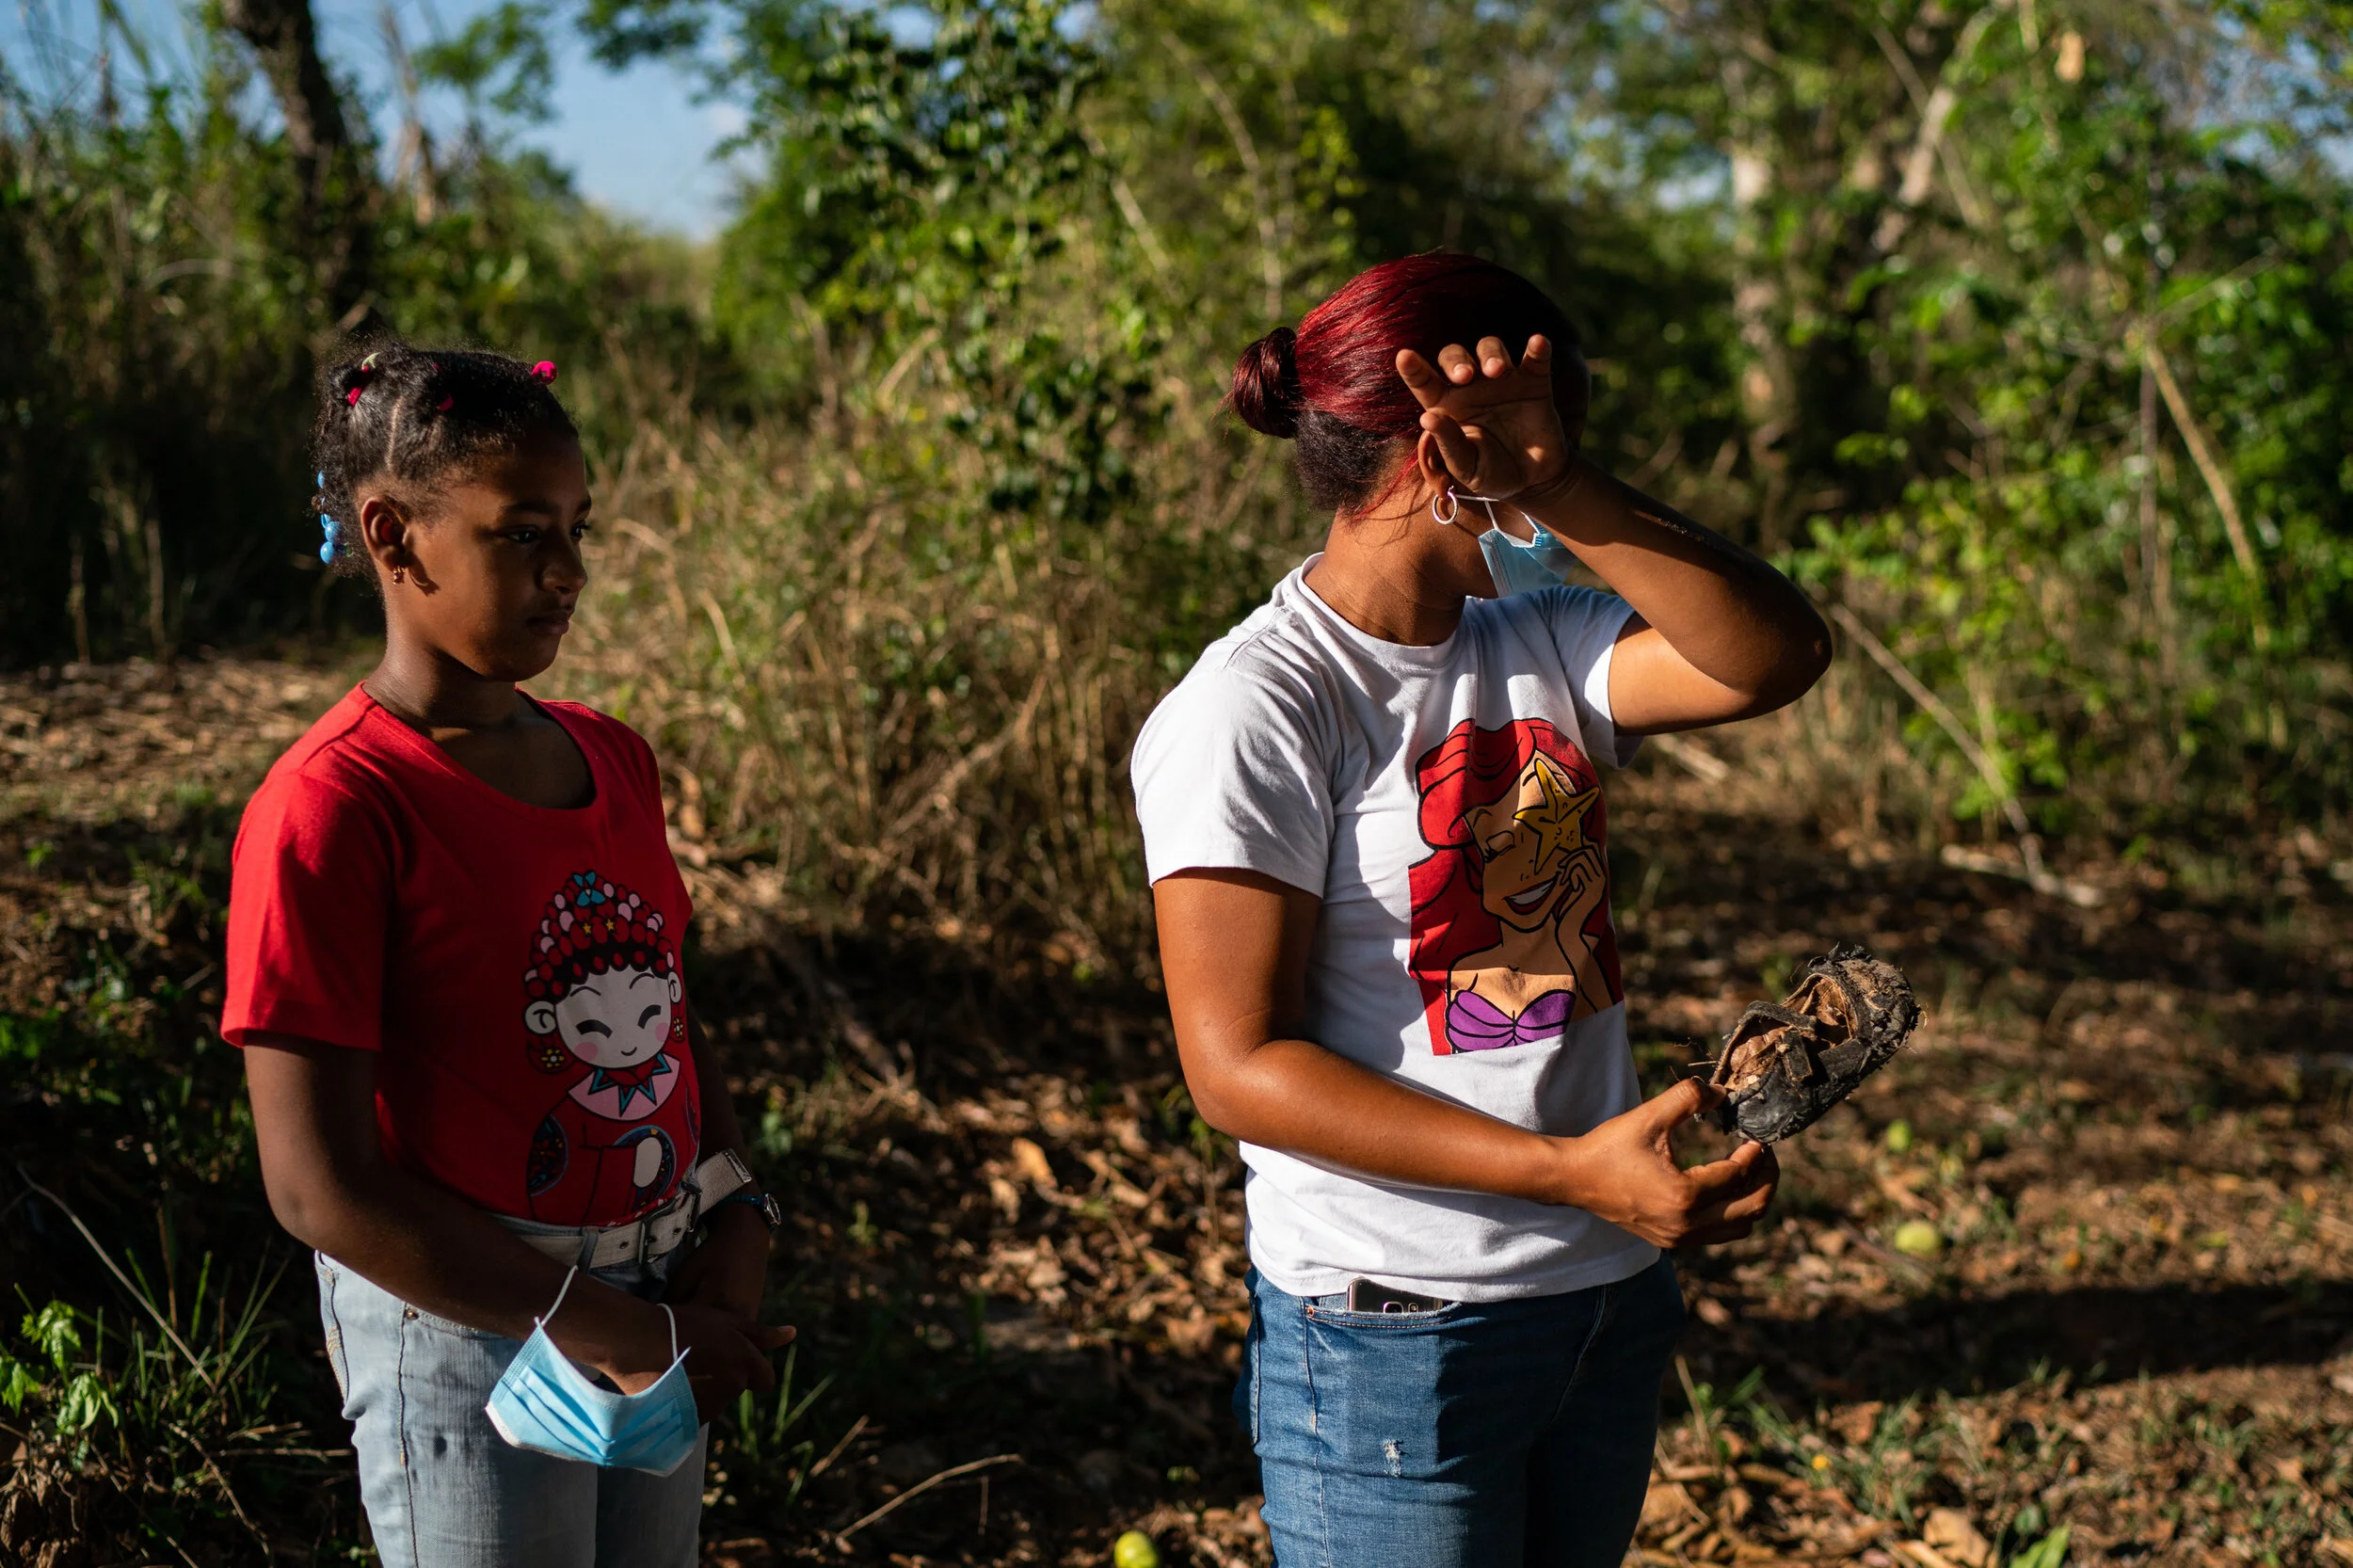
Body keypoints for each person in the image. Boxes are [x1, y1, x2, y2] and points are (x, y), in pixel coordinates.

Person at [1130, 252, 1830, 1568]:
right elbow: (1235, 1068)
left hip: (1602, 1304)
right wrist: (1570, 1173)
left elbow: (1777, 655)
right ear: (1441, 450)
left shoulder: (1539, 641)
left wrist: (1560, 489)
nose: (1563, 459)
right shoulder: (1260, 705)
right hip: (1399, 1338)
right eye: (1543, 431)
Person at [223, 345, 792, 1568]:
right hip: (470, 1337)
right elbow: (316, 1183)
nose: (569, 572)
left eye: (579, 528)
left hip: (655, 1302)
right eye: (524, 532)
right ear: (392, 533)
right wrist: (594, 1320)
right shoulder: (335, 808)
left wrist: (734, 1200)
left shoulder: (611, 757)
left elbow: (674, 1008)